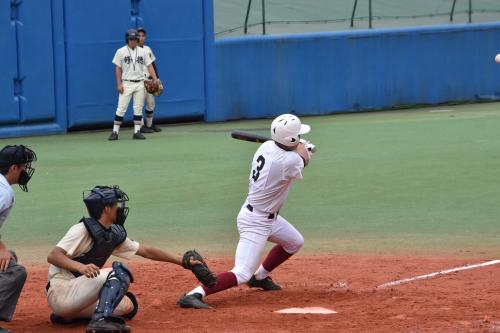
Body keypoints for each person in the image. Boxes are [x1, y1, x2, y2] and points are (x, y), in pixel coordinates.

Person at [178, 114, 315, 309]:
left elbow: (298, 154)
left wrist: (300, 148)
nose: (300, 138)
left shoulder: (266, 146)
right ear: (290, 140)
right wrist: (306, 149)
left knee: (294, 242)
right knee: (241, 272)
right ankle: (194, 294)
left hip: (267, 216)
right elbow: (304, 160)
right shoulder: (289, 162)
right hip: (255, 221)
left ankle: (259, 277)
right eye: (298, 135)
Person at [46, 185, 215, 333]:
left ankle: (68, 317)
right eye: (117, 205)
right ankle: (99, 321)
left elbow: (147, 251)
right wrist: (80, 267)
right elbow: (53, 255)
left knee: (128, 305)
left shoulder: (110, 233)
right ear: (106, 208)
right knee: (118, 272)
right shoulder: (81, 230)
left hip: (78, 296)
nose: (121, 208)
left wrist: (183, 261)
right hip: (62, 292)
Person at [0, 145, 37, 333]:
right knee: (15, 271)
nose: (25, 171)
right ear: (14, 168)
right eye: (23, 167)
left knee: (8, 259)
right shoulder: (3, 191)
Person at [108, 29, 159, 141]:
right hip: (126, 83)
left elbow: (150, 66)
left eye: (135, 39)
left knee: (138, 108)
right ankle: (115, 132)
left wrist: (155, 79)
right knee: (121, 109)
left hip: (140, 83)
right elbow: (117, 68)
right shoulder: (121, 51)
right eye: (131, 39)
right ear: (127, 40)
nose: (134, 41)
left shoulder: (143, 52)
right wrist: (119, 84)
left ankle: (137, 131)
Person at [137, 27, 162, 134]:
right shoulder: (134, 50)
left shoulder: (147, 49)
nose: (141, 37)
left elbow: (152, 65)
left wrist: (157, 79)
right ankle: (141, 126)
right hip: (140, 80)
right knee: (139, 104)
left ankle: (149, 125)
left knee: (151, 103)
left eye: (143, 35)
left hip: (150, 80)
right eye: (139, 35)